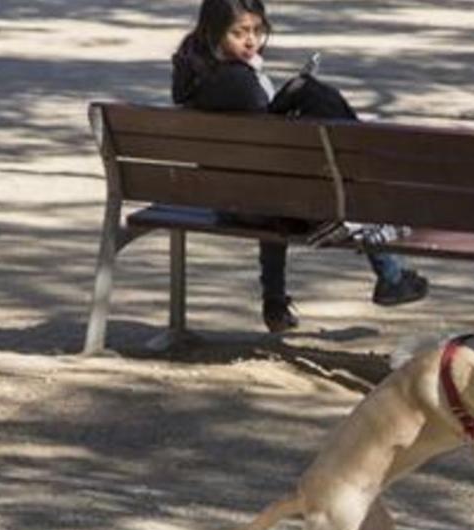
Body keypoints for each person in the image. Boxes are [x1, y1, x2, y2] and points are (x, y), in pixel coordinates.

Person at [171, 0, 428, 332]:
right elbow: (268, 142)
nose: (251, 41)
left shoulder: (194, 72)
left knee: (275, 183)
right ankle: (390, 276)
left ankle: (275, 302)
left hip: (232, 199)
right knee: (338, 158)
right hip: (266, 204)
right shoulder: (239, 83)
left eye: (257, 31)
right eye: (239, 33)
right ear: (214, 33)